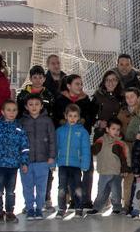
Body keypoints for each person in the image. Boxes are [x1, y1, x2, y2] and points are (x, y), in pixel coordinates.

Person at [54, 74, 95, 208]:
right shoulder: (60, 99)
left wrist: (84, 123)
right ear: (68, 86)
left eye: (81, 84)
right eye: (77, 84)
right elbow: (55, 119)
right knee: (67, 176)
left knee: (87, 170)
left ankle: (85, 199)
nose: (80, 86)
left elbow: (90, 118)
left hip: (81, 141)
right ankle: (70, 200)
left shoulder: (86, 100)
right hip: (66, 145)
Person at [0, 99, 30, 223]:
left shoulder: (19, 127)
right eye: (8, 110)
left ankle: (10, 212)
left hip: (13, 166)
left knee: (10, 191)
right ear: (2, 112)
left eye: (14, 110)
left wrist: (24, 162)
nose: (11, 112)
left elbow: (24, 146)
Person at [19, 94, 56, 220]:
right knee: (27, 187)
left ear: (41, 106)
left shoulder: (47, 121)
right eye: (31, 104)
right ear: (26, 106)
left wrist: (51, 157)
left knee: (41, 187)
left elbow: (52, 139)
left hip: (43, 161)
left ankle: (39, 208)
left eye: (36, 104)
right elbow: (18, 141)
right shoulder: (22, 121)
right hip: (26, 161)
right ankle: (29, 208)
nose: (34, 107)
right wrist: (21, 159)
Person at [55, 104, 91, 219]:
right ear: (65, 116)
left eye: (75, 116)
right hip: (63, 165)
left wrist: (85, 163)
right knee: (62, 188)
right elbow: (55, 147)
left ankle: (79, 208)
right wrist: (53, 162)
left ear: (78, 117)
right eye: (70, 116)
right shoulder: (60, 131)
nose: (72, 118)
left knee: (77, 188)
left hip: (76, 165)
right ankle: (61, 209)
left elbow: (86, 149)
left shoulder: (83, 132)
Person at [87, 118, 129, 216]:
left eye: (118, 130)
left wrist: (125, 169)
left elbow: (125, 158)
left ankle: (117, 208)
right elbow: (94, 150)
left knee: (116, 192)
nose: (116, 131)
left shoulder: (121, 143)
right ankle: (97, 207)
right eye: (113, 129)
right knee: (101, 191)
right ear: (107, 129)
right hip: (104, 172)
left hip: (116, 172)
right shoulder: (101, 140)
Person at [116, 87, 140, 213]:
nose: (130, 99)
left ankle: (132, 204)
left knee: (136, 179)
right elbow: (117, 128)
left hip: (139, 149)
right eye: (127, 97)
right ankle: (122, 203)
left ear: (138, 97)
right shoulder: (122, 112)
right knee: (124, 176)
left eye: (132, 96)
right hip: (125, 148)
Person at [91, 70, 124, 140]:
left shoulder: (122, 97)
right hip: (101, 134)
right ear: (104, 82)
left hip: (117, 135)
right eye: (107, 80)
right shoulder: (98, 96)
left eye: (113, 80)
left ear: (117, 81)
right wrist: (99, 123)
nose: (110, 83)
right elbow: (90, 115)